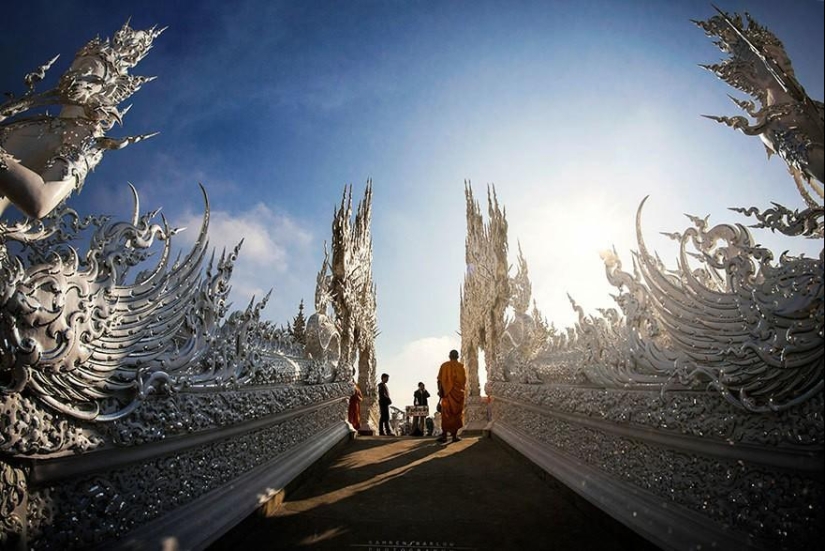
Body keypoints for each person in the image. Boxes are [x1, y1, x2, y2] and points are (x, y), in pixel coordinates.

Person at [437, 349, 466, 443]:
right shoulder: (461, 367)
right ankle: (454, 436)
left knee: (446, 415)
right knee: (456, 414)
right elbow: (463, 382)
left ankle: (444, 436)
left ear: (449, 356)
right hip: (458, 395)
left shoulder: (444, 366)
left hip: (447, 394)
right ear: (457, 357)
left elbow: (439, 380)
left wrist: (440, 392)